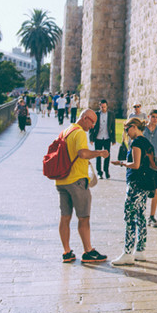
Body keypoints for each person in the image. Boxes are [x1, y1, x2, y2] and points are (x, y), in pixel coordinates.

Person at [55, 108, 109, 264]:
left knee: (65, 217)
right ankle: (88, 251)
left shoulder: (66, 131)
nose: (93, 127)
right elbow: (82, 153)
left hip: (62, 181)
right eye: (92, 122)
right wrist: (99, 153)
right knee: (84, 218)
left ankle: (67, 252)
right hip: (77, 181)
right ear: (85, 118)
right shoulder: (79, 133)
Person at [111, 118, 153, 265]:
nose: (126, 133)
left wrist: (121, 163)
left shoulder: (136, 143)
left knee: (129, 217)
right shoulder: (147, 143)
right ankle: (140, 250)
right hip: (145, 185)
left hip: (135, 184)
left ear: (134, 127)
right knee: (141, 216)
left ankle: (128, 252)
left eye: (127, 129)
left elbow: (135, 165)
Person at [143, 109, 157, 226]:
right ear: (149, 116)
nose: (155, 119)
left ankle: (152, 216)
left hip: (156, 163)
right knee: (143, 189)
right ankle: (141, 214)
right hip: (143, 163)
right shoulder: (142, 130)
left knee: (156, 189)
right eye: (153, 116)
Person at [88, 99, 116, 179]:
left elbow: (113, 128)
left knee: (107, 155)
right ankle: (99, 172)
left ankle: (106, 171)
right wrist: (91, 138)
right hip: (98, 138)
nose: (103, 108)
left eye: (104, 107)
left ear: (107, 106)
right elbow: (91, 128)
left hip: (107, 138)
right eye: (101, 107)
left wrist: (113, 140)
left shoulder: (111, 114)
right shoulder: (96, 114)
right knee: (98, 156)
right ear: (99, 106)